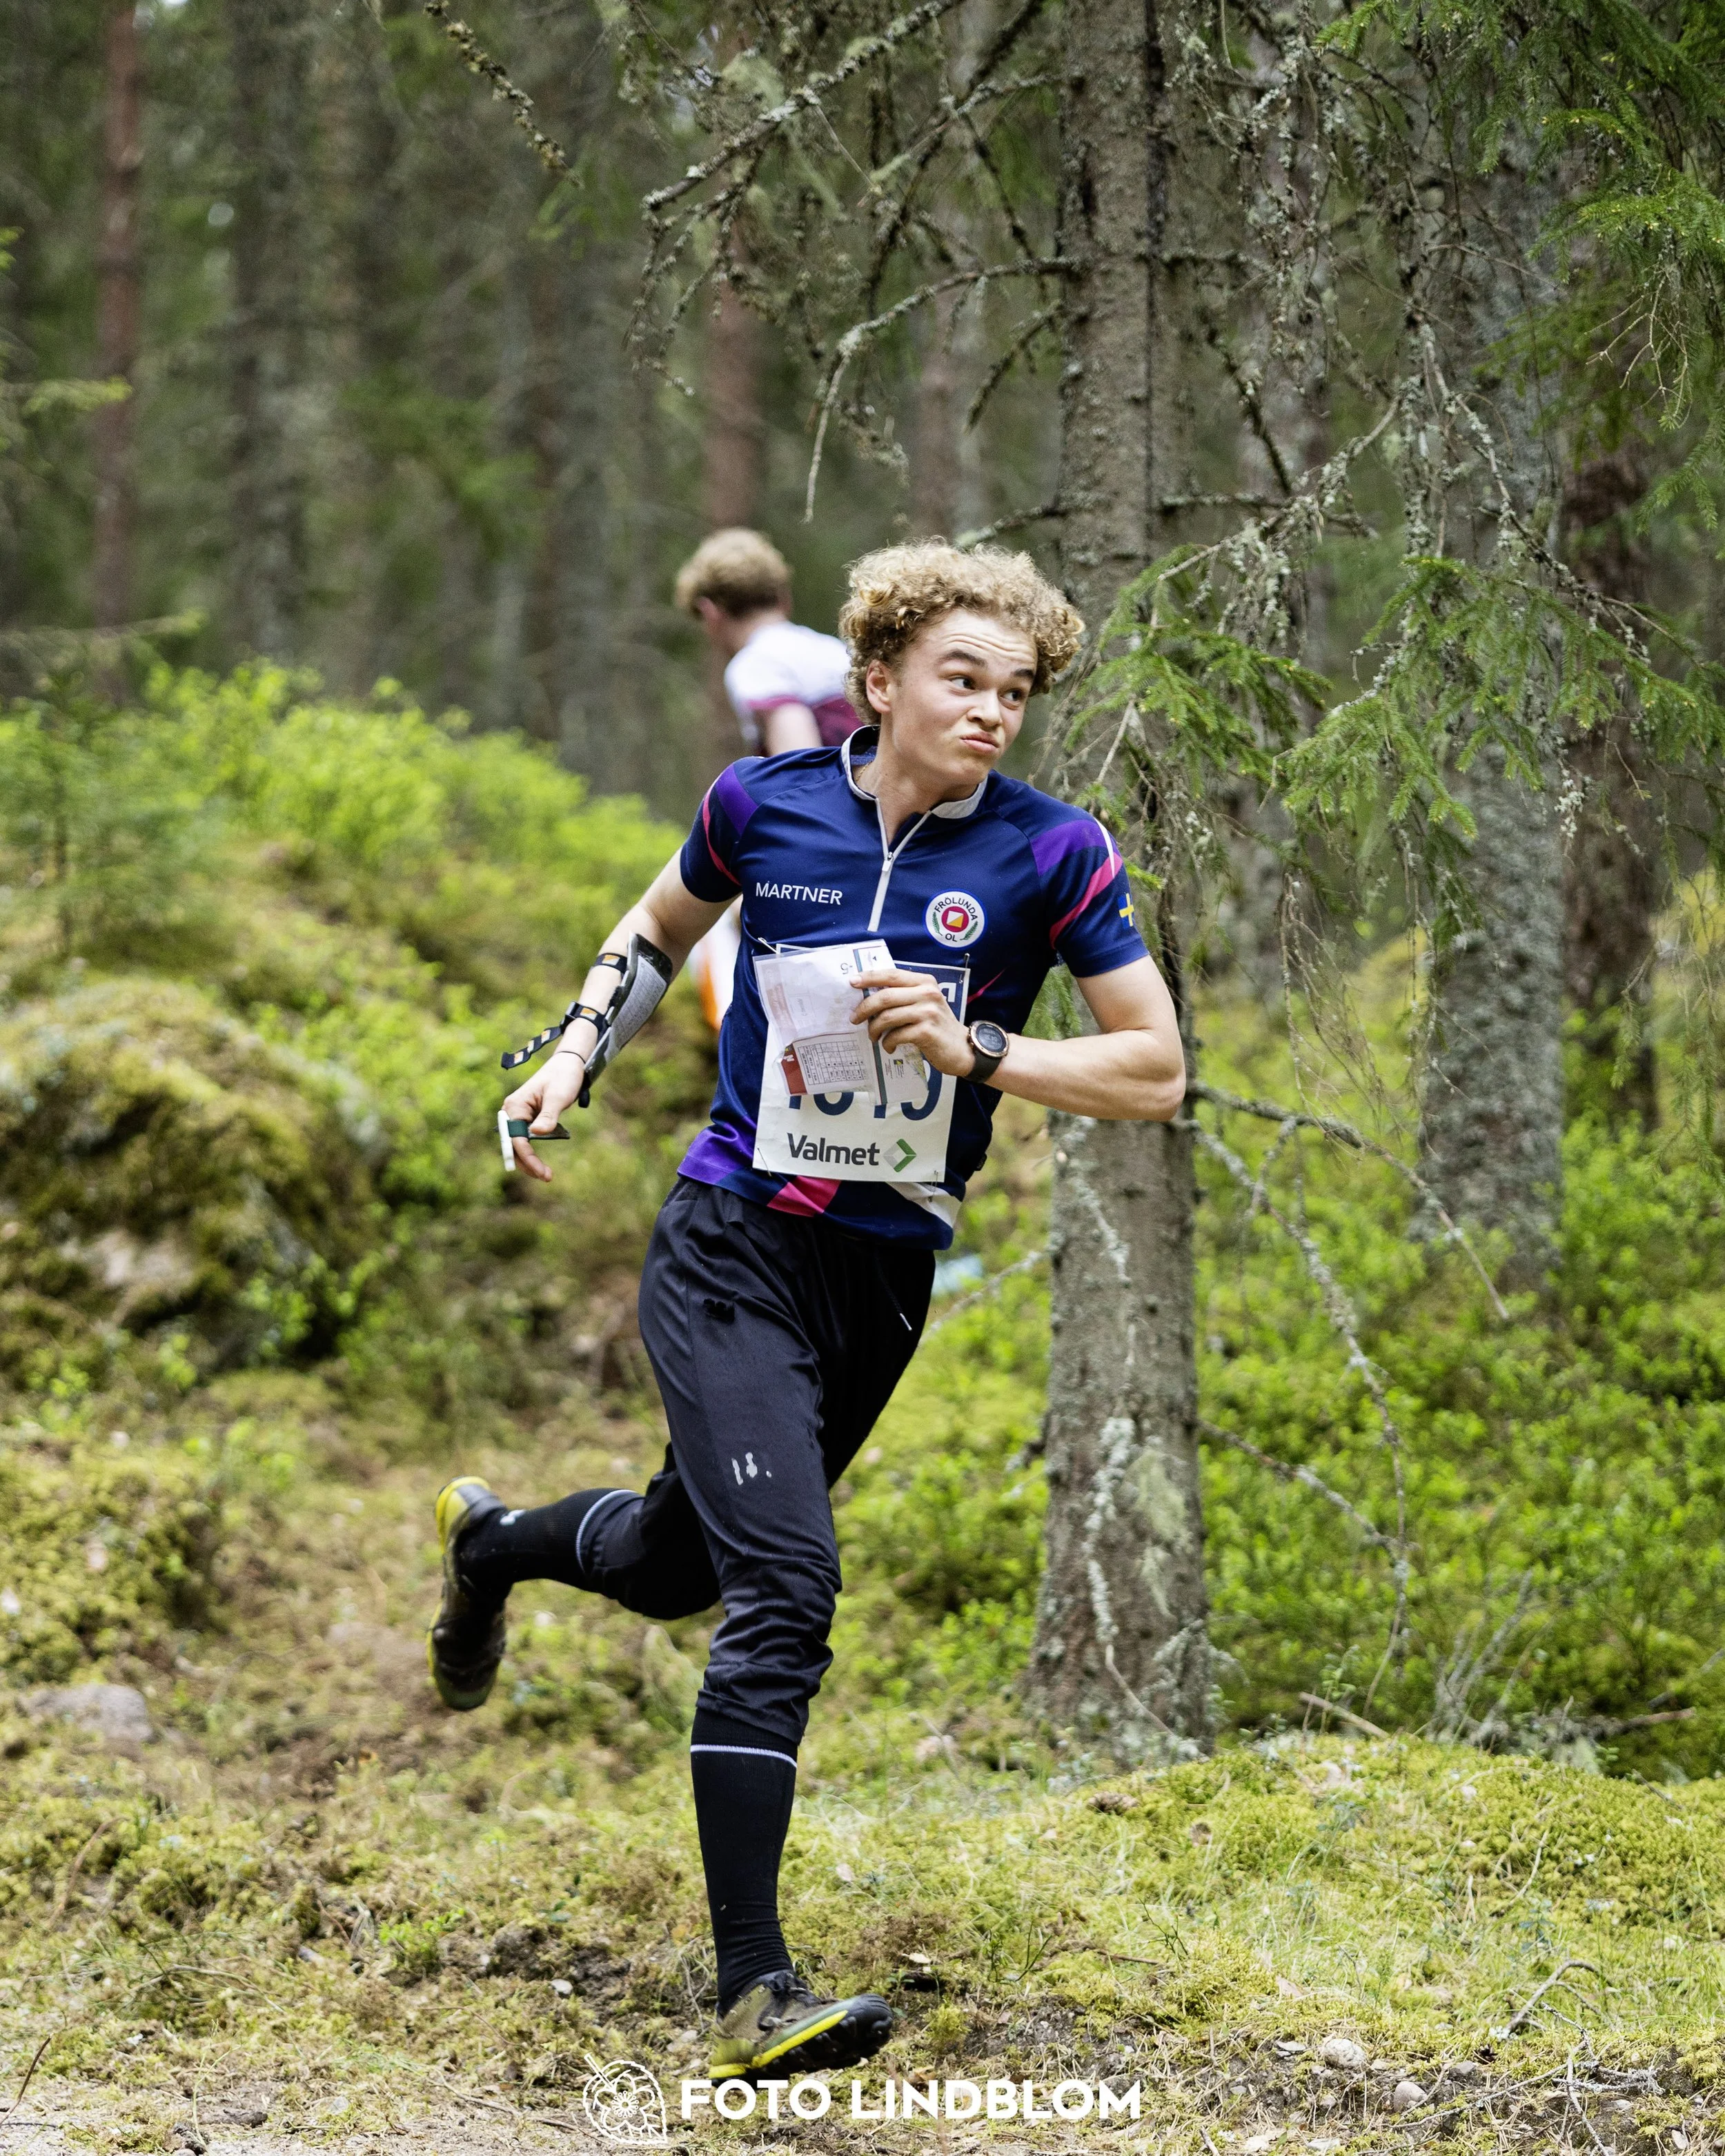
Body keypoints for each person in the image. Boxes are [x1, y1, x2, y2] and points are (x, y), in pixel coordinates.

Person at [426, 541, 1187, 2084]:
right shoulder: (759, 804)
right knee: (784, 1583)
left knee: (670, 1564)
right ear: (882, 676)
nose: (990, 712)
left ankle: (492, 1542)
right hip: (729, 1238)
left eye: (1015, 691)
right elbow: (649, 936)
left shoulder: (1051, 854)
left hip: (881, 1267)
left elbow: (1154, 1068)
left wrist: (985, 1052)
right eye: (961, 680)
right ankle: (751, 1987)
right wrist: (571, 1053)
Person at [676, 526, 862, 755]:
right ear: (785, 599)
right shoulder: (836, 650)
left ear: (709, 613)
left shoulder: (756, 666)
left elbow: (801, 768)